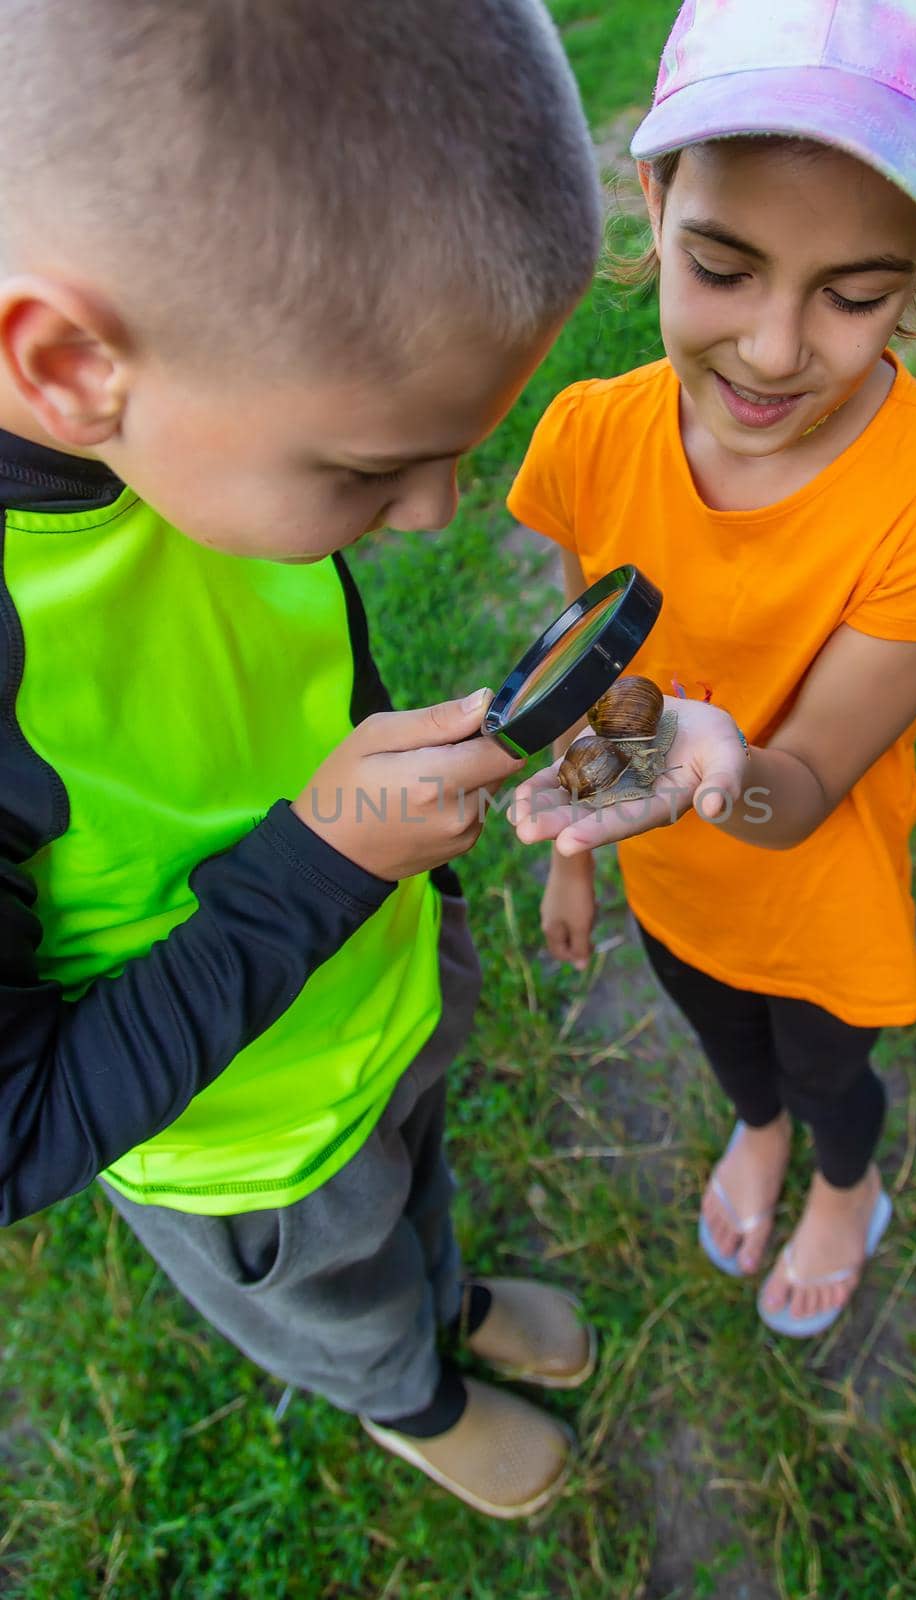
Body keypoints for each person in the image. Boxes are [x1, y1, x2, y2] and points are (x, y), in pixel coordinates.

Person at [0, 0, 605, 1518]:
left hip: (388, 984)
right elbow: (15, 1134)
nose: (434, 515)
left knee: (419, 1186)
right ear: (68, 363)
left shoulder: (179, 409)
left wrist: (377, 850)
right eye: (368, 468)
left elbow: (292, 650)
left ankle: (444, 1300)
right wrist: (322, 867)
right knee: (339, 1287)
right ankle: (405, 1392)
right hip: (248, 1151)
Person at [508, 0, 916, 1337]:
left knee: (827, 1072)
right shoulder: (588, 437)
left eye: (856, 294)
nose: (774, 349)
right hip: (672, 880)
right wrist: (579, 846)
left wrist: (715, 768)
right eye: (725, 266)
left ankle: (843, 1185)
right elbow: (606, 684)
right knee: (720, 1036)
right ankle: (754, 1130)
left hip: (816, 900)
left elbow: (799, 783)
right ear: (653, 194)